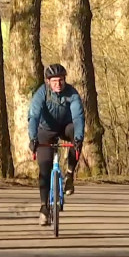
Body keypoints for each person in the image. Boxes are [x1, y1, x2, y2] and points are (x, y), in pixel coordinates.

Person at [28, 63, 85, 226]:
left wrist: (78, 138)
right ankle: (44, 207)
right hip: (46, 130)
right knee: (44, 168)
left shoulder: (72, 93)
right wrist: (33, 138)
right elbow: (33, 116)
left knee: (76, 133)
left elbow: (78, 117)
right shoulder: (41, 93)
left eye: (60, 80)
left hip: (65, 127)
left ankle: (69, 174)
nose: (58, 84)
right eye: (54, 81)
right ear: (48, 82)